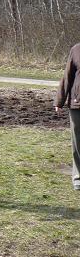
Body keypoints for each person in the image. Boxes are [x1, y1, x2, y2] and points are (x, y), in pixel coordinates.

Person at [54, 42, 80, 191]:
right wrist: (59, 100)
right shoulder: (76, 50)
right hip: (77, 104)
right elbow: (67, 76)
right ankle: (78, 176)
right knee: (77, 142)